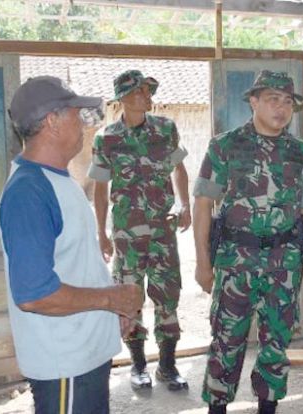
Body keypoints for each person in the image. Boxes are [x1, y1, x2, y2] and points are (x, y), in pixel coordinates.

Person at [0, 76, 142, 414]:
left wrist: (109, 311)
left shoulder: (56, 180)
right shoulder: (28, 192)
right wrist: (110, 298)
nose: (82, 124)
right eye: (76, 114)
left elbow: (74, 263)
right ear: (52, 121)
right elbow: (34, 294)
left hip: (83, 354)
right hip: (65, 363)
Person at [193, 70, 303, 414]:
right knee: (226, 342)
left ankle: (268, 408)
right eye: (272, 100)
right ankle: (218, 408)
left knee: (276, 344)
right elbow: (202, 204)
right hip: (235, 262)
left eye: (287, 102)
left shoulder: (300, 153)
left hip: (284, 265)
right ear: (253, 101)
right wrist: (202, 261)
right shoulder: (225, 146)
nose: (281, 109)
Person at [88, 69, 191, 391]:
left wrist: (185, 205)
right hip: (126, 234)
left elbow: (180, 169)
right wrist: (101, 233)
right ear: (124, 98)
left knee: (168, 295)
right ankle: (138, 366)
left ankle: (168, 366)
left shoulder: (165, 129)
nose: (148, 97)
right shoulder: (106, 138)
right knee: (130, 296)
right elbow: (101, 189)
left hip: (162, 230)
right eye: (141, 92)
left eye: (149, 91)